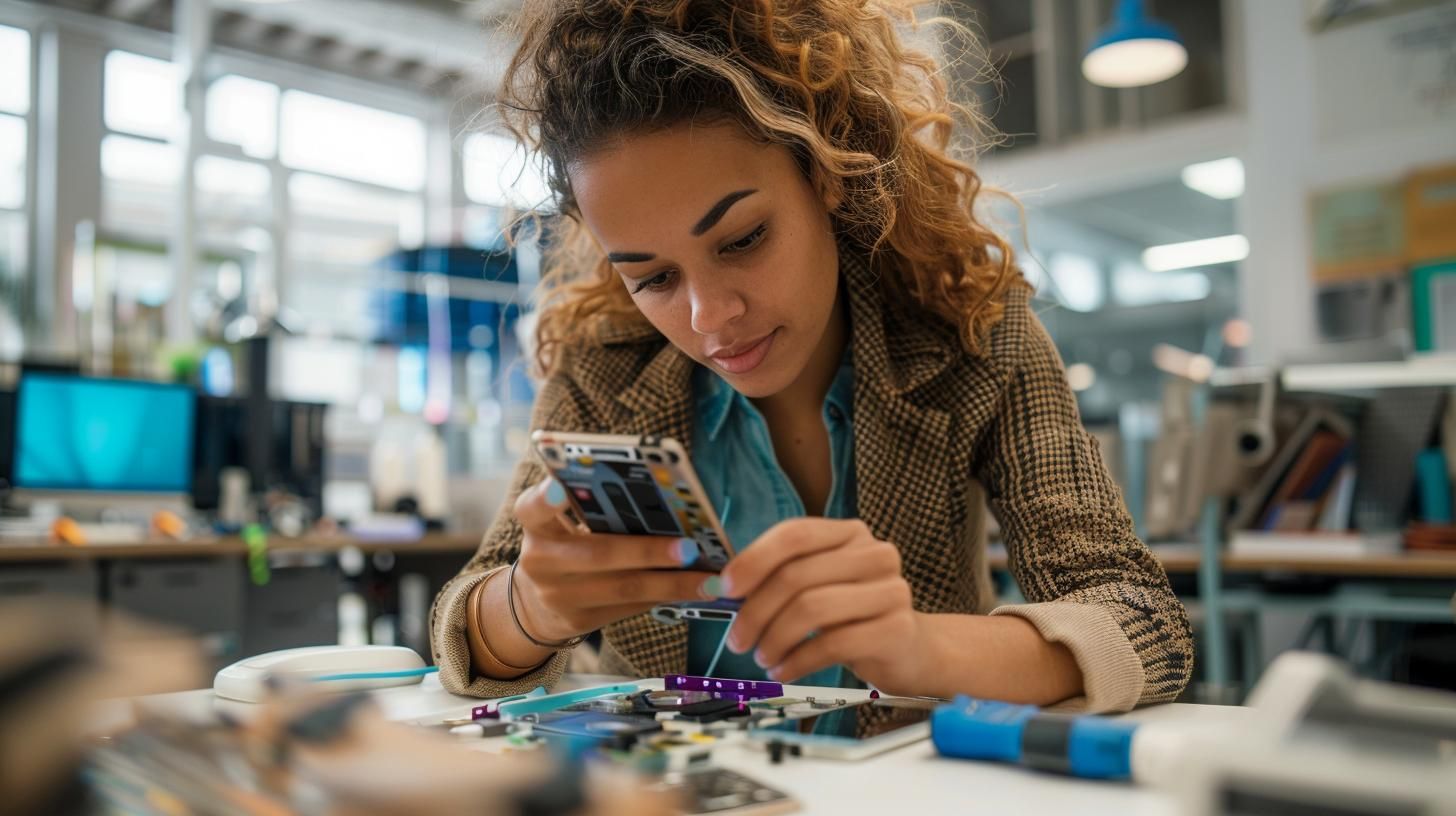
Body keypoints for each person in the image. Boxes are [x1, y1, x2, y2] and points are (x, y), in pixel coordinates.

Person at [430, 0, 1192, 711]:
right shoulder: (605, 365)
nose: (709, 316)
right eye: (653, 278)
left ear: (827, 173)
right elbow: (466, 626)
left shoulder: (973, 336)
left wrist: (920, 647)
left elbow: (1144, 620)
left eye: (743, 240)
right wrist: (531, 608)